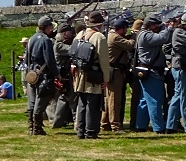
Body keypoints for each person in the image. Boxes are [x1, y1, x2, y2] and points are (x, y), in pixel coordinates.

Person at [73, 11, 110, 139]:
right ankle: (91, 131)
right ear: (99, 24)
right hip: (94, 75)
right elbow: (104, 61)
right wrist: (106, 78)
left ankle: (80, 131)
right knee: (93, 105)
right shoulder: (99, 37)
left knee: (82, 104)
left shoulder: (79, 34)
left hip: (80, 74)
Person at [135, 13, 173, 133]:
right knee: (155, 101)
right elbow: (163, 38)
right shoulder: (146, 36)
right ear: (151, 26)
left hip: (147, 71)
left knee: (145, 100)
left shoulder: (143, 33)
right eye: (157, 25)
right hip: (152, 72)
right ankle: (159, 127)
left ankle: (141, 125)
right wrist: (169, 27)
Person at [26, 16, 60, 136]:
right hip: (43, 75)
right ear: (47, 27)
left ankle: (31, 126)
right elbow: (50, 60)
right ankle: (37, 128)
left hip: (32, 74)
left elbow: (26, 59)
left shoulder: (31, 39)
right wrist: (57, 74)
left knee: (32, 101)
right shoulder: (46, 40)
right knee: (41, 101)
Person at [101, 17, 134, 133]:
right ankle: (115, 125)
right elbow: (130, 45)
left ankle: (105, 123)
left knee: (108, 99)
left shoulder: (111, 35)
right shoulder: (115, 37)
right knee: (115, 99)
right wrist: (134, 36)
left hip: (112, 71)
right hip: (115, 72)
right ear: (121, 29)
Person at [49, 24, 77, 128]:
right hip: (64, 76)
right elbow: (73, 50)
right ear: (65, 33)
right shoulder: (59, 45)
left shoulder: (60, 43)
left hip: (65, 76)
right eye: (70, 32)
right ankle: (77, 123)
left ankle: (57, 123)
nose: (72, 33)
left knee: (63, 99)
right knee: (73, 99)